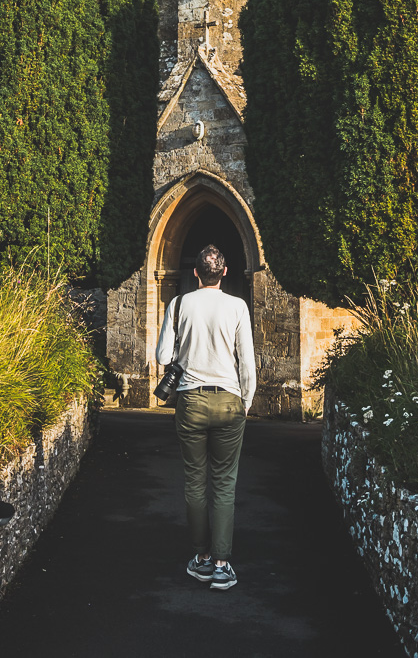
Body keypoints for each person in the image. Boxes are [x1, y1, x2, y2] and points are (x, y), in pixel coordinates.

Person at [156, 242, 256, 592]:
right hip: (230, 400)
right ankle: (222, 564)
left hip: (191, 402)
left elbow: (163, 353)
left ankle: (199, 558)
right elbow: (247, 359)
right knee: (224, 484)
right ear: (225, 272)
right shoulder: (237, 306)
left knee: (195, 482)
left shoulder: (180, 303)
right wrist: (247, 399)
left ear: (195, 272)